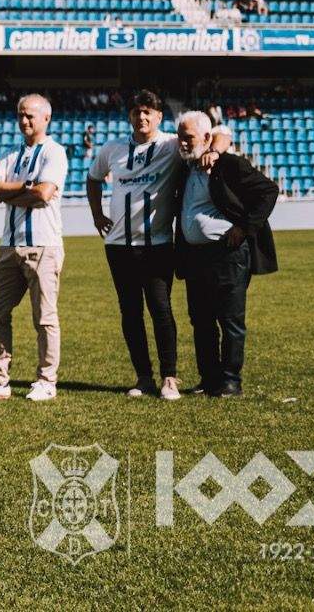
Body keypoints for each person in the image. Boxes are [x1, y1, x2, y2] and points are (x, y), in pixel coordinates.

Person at [87, 91, 230, 401]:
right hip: (119, 245)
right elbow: (93, 177)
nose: (142, 117)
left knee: (161, 310)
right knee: (130, 313)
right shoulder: (112, 148)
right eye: (137, 111)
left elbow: (222, 133)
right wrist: (97, 214)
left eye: (148, 112)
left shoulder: (171, 145)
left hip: (158, 245)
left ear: (159, 117)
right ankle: (143, 378)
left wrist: (214, 151)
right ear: (129, 116)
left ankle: (169, 377)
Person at [0, 94, 69, 402]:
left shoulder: (54, 152)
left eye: (30, 116)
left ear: (46, 118)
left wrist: (9, 194)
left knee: (44, 318)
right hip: (9, 246)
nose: (24, 120)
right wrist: (25, 188)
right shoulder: (12, 156)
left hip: (43, 245)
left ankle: (46, 381)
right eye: (21, 115)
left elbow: (44, 194)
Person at [172, 111, 279, 398]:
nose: (182, 142)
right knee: (201, 320)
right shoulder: (184, 167)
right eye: (180, 137)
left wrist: (244, 227)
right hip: (194, 256)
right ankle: (208, 379)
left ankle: (231, 381)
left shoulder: (229, 164)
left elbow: (269, 191)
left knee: (230, 320)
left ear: (207, 137)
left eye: (188, 137)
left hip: (228, 254)